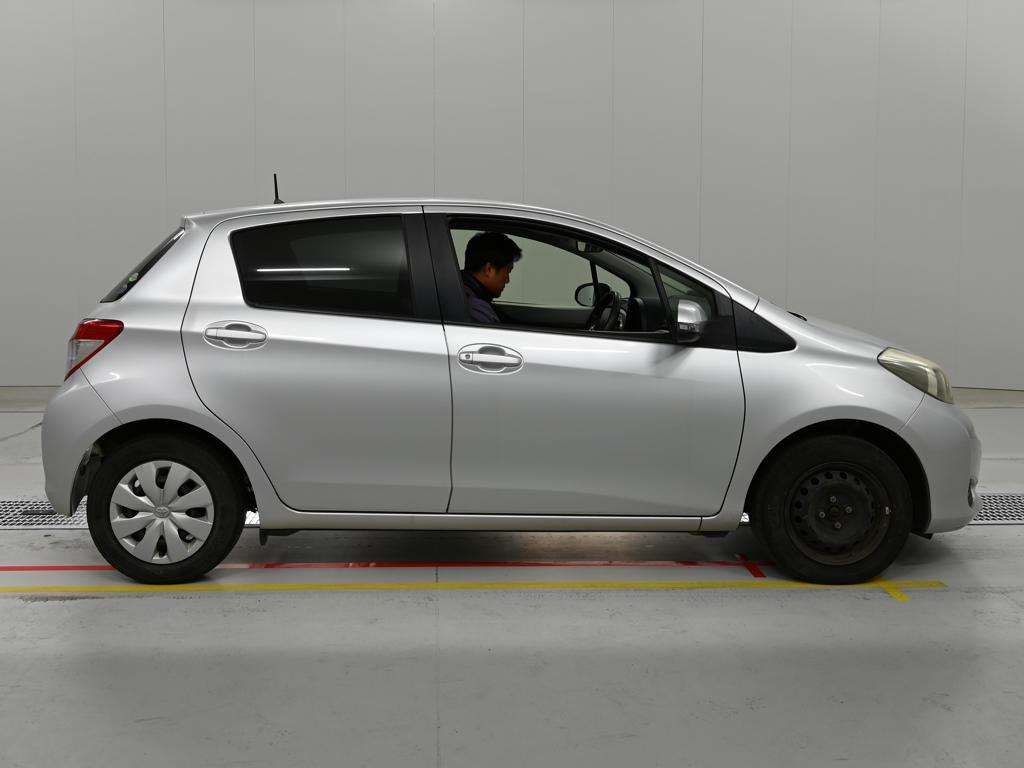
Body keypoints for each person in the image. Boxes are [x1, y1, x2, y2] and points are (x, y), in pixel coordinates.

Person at [460, 232, 522, 324]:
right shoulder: (476, 310)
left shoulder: (466, 294)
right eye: (508, 272)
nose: (507, 280)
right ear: (489, 270)